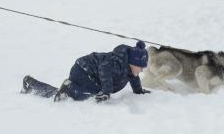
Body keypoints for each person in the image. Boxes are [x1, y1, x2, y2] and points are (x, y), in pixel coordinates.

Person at [22, 41, 151, 102]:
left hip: (90, 75)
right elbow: (104, 68)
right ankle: (69, 89)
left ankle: (31, 84)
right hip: (82, 70)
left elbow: (134, 78)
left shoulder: (129, 67)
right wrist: (106, 91)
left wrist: (138, 91)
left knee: (95, 95)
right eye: (140, 67)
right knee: (89, 97)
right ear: (132, 63)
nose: (141, 70)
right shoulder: (117, 62)